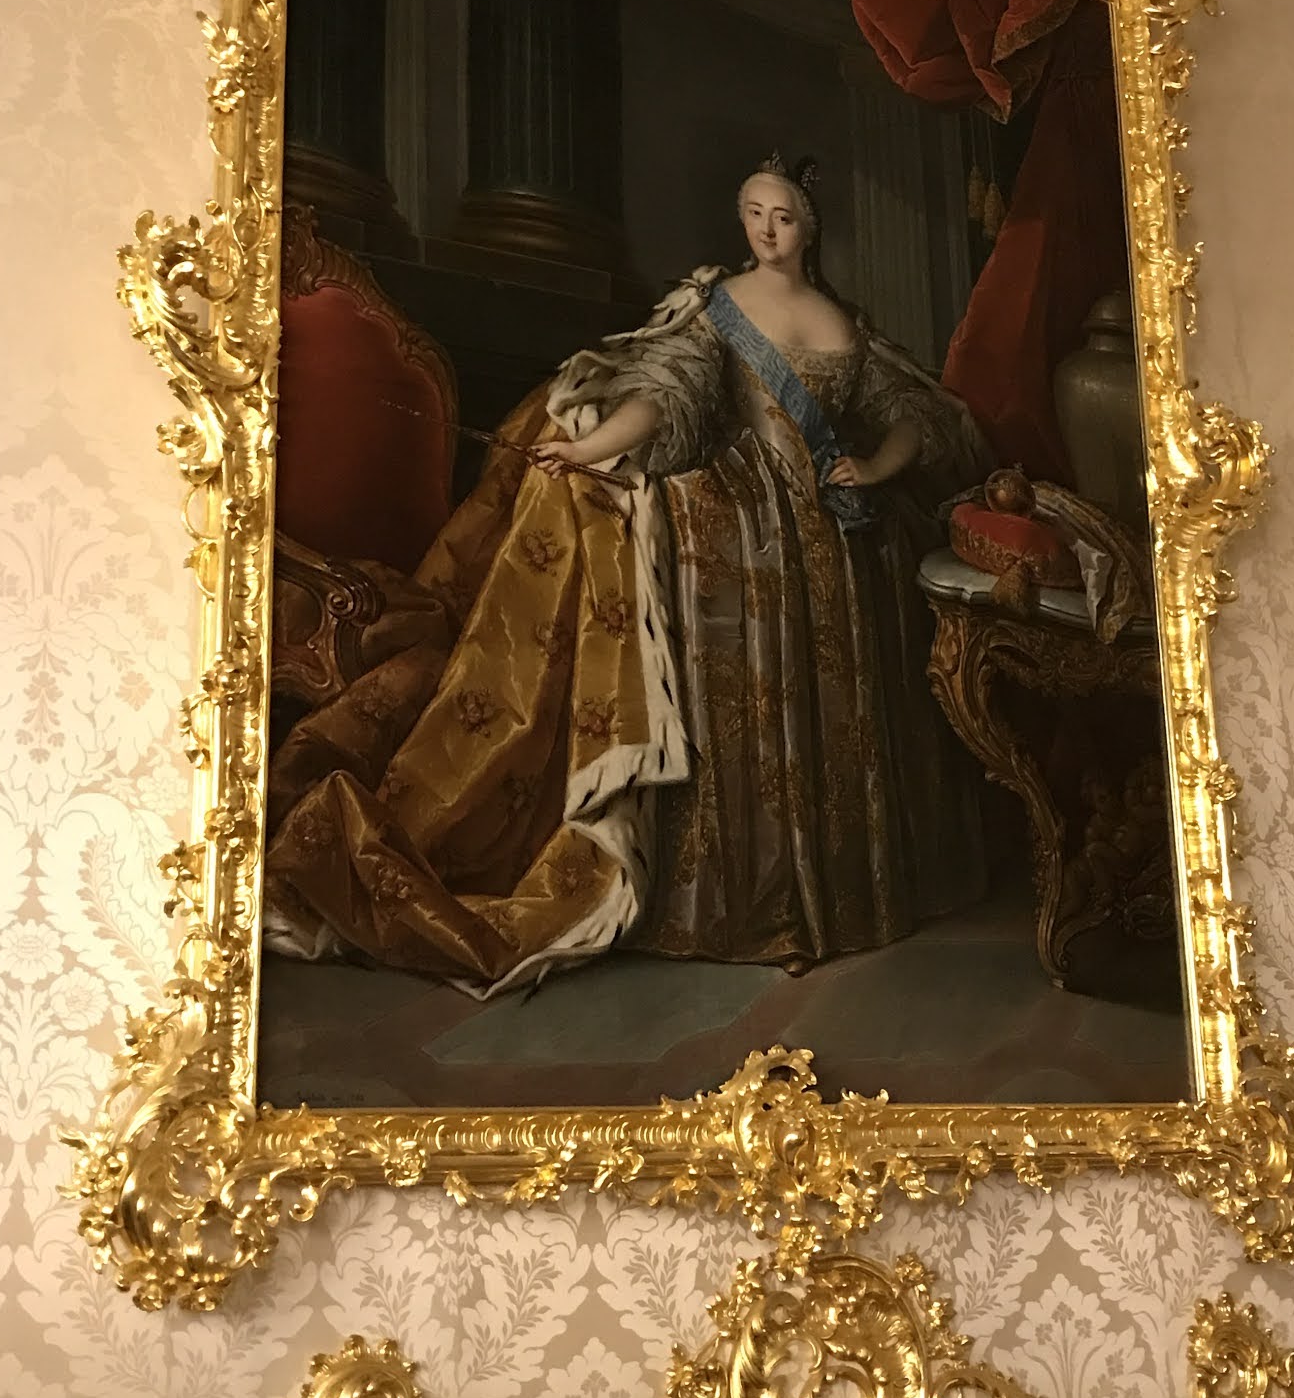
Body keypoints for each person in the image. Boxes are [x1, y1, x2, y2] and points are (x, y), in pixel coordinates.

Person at [264, 156, 989, 995]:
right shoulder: (718, 304)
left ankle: (833, 902)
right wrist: (587, 449)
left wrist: (875, 466)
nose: (765, 229)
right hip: (747, 518)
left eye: (783, 216)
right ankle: (745, 909)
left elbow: (907, 417)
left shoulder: (847, 323)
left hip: (832, 535)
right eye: (754, 212)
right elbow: (666, 396)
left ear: (810, 227)